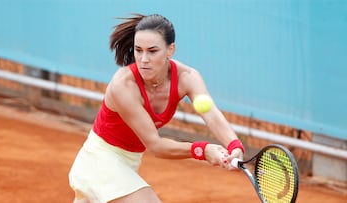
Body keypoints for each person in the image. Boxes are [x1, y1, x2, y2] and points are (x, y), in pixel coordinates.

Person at [69, 13, 245, 203]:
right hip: (99, 160)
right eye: (138, 50)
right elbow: (156, 145)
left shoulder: (188, 77)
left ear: (170, 50)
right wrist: (202, 150)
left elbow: (210, 114)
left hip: (129, 163)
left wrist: (234, 145)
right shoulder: (124, 85)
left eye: (152, 51)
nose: (144, 59)